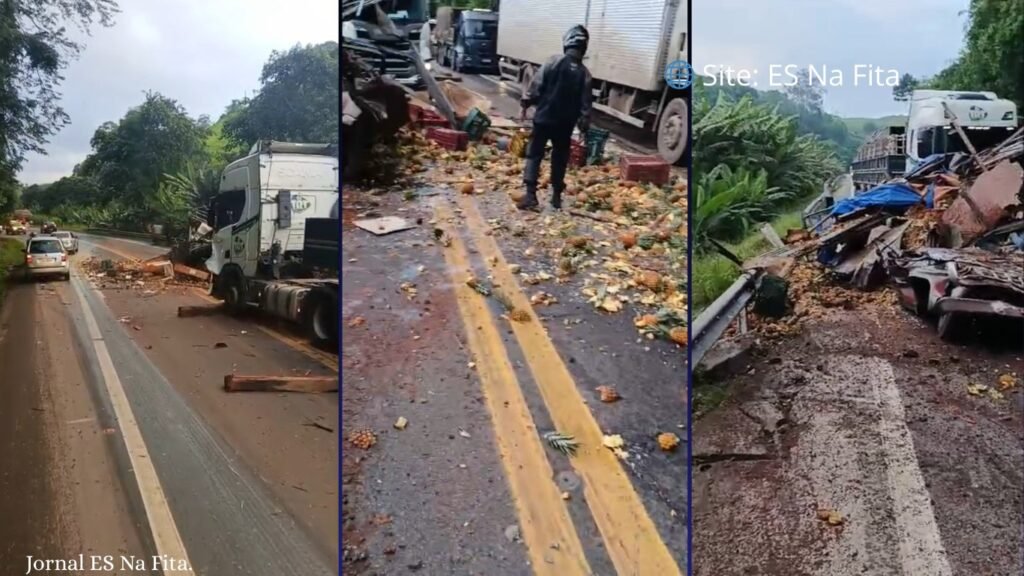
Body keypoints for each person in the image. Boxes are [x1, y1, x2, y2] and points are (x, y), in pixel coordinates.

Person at [516, 25, 593, 211]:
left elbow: (535, 88)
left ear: (567, 43)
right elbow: (585, 107)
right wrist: (584, 127)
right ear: (584, 48)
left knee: (534, 154)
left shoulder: (553, 62)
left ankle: (530, 196)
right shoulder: (585, 74)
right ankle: (556, 197)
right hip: (565, 125)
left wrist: (526, 102)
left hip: (544, 119)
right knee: (559, 158)